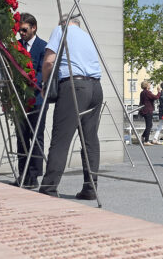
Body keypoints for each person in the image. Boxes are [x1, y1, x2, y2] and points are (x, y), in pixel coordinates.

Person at [39, 15, 103, 200]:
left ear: (63, 22)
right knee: (90, 139)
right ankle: (90, 188)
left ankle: (49, 187)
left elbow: (49, 61)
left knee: (61, 138)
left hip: (74, 86)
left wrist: (45, 84)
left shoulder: (61, 30)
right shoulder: (86, 36)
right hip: (95, 87)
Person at [15, 13, 48, 189]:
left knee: (36, 138)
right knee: (21, 137)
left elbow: (44, 71)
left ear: (34, 28)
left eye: (24, 30)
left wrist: (33, 83)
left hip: (37, 99)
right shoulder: (16, 46)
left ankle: (34, 175)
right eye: (20, 30)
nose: (21, 33)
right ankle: (23, 173)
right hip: (19, 99)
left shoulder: (43, 47)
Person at [138, 81, 158, 146]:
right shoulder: (147, 92)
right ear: (146, 86)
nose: (150, 85)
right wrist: (159, 92)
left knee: (150, 125)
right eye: (149, 85)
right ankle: (146, 140)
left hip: (144, 110)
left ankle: (143, 136)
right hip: (148, 110)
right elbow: (155, 97)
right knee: (149, 125)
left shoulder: (142, 92)